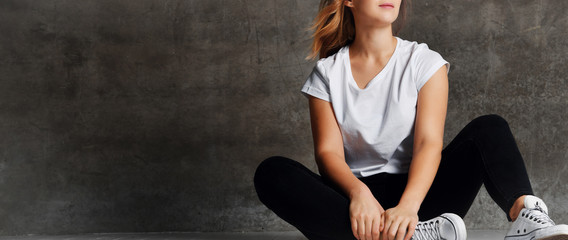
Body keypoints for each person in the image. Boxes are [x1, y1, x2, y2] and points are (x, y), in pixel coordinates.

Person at [253, 1, 568, 240]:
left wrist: (408, 207)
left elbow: (428, 143)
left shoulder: (424, 62)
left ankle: (525, 216)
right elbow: (328, 154)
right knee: (272, 173)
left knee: (489, 127)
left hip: (422, 200)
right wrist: (358, 194)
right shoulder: (327, 74)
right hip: (359, 207)